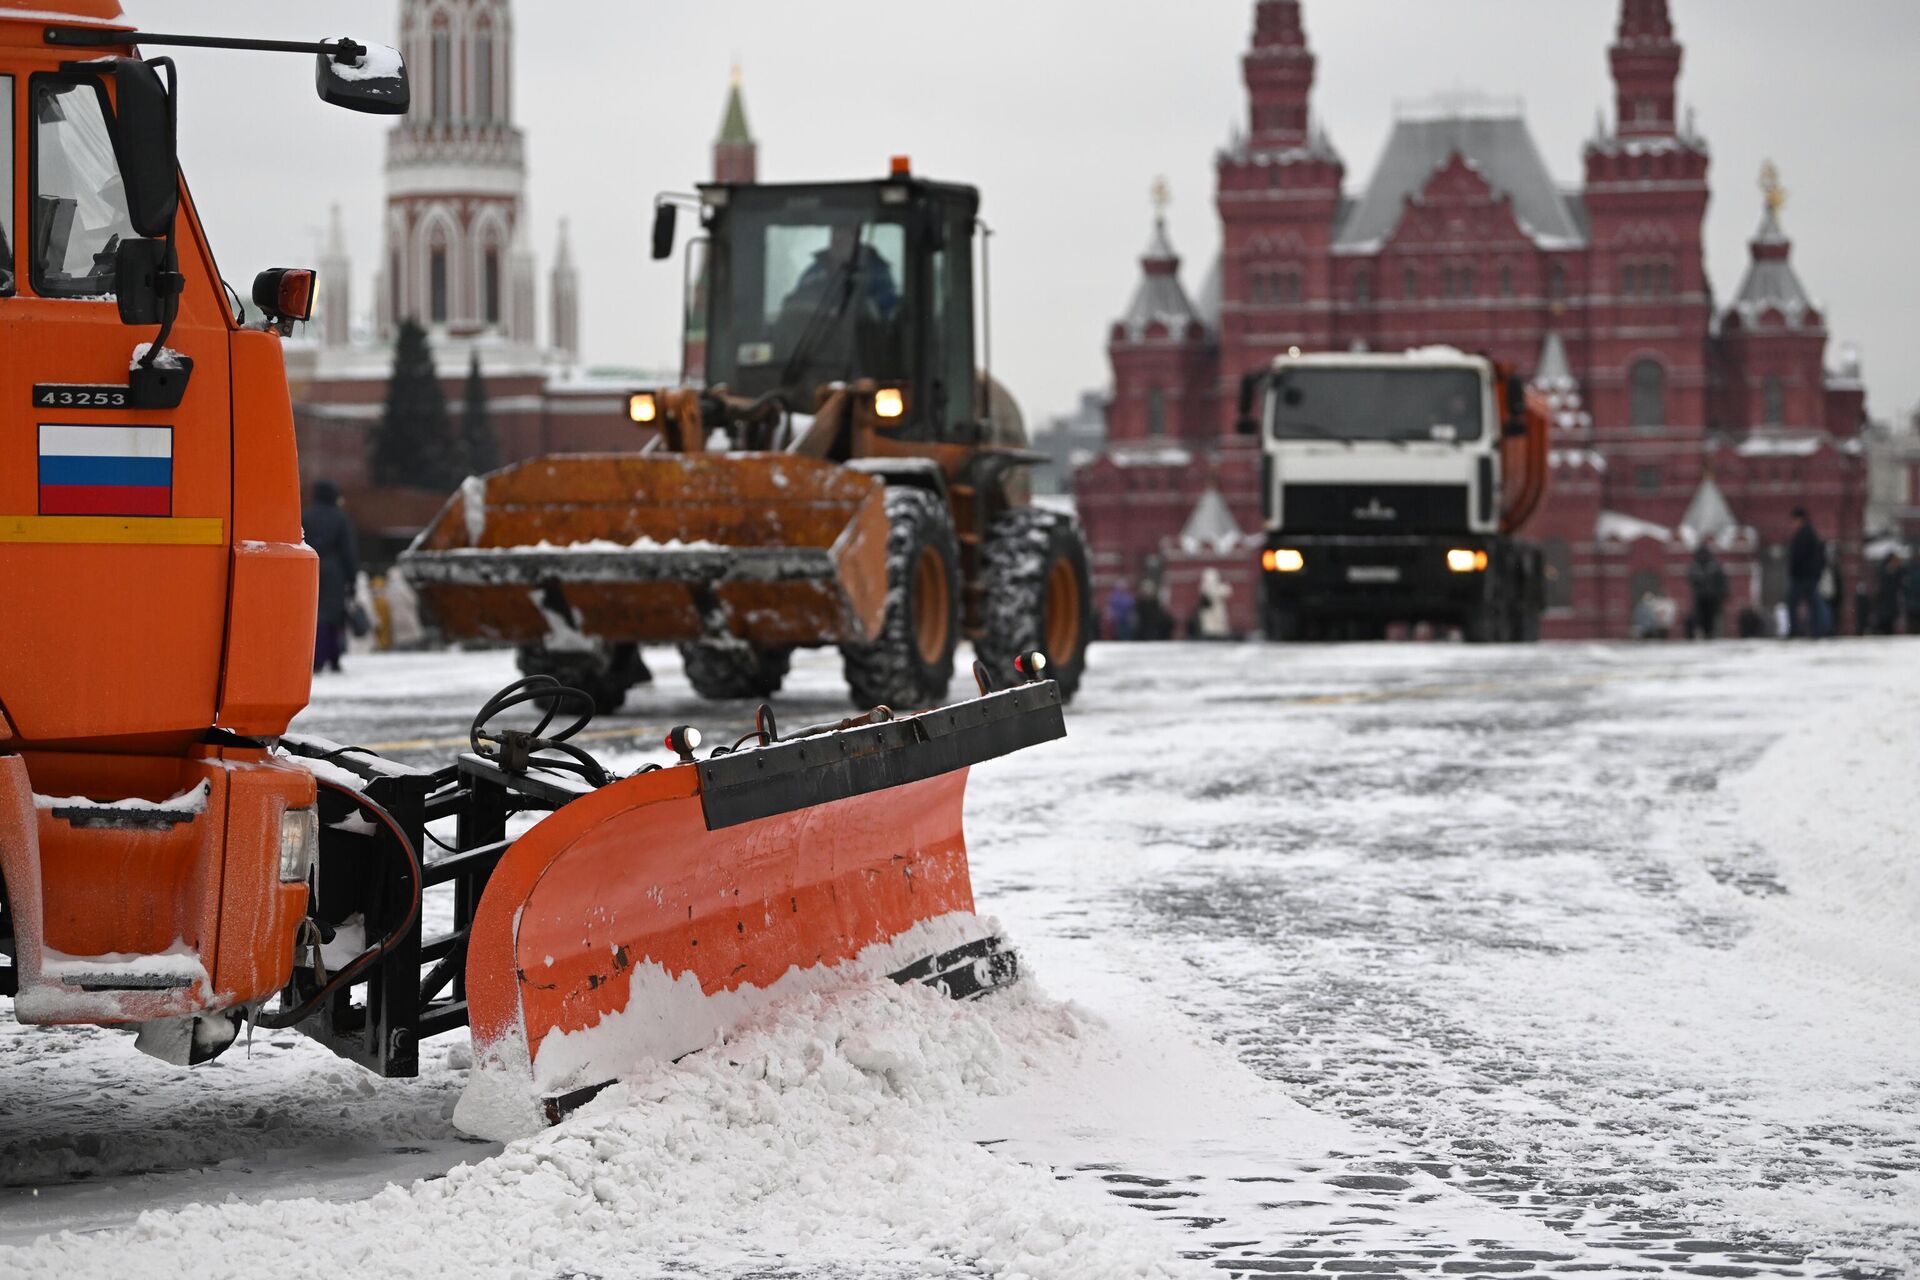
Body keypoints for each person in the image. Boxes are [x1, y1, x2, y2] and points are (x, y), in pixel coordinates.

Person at [783, 224, 900, 321]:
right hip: (815, 343)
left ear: (855, 242)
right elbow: (796, 306)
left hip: (863, 343)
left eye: (844, 239)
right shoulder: (813, 274)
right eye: (835, 238)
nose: (838, 244)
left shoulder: (877, 272)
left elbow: (889, 312)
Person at [303, 479, 358, 674]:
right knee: (334, 615)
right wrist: (352, 578)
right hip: (335, 571)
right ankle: (333, 658)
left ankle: (316, 659)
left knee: (314, 614)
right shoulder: (340, 518)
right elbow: (348, 550)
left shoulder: (306, 516)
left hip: (310, 567)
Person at [1786, 508, 1831, 639]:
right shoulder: (1808, 533)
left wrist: (1803, 573)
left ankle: (1797, 629)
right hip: (1807, 576)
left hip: (1803, 577)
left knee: (1798, 603)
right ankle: (1820, 629)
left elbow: (1801, 557)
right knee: (1814, 603)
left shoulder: (1805, 534)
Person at [1685, 543, 1730, 640]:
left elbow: (1722, 580)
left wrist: (1723, 592)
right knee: (1702, 616)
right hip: (1702, 596)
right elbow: (1690, 578)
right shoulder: (1696, 566)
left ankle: (1710, 632)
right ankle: (1705, 632)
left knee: (1710, 616)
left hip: (1712, 596)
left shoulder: (1713, 565)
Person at [1188, 568, 1236, 640]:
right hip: (1210, 610)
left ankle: (1215, 633)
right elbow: (1225, 591)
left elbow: (1227, 592)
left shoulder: (1212, 587)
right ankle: (1213, 633)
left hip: (1215, 610)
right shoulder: (1207, 587)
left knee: (1217, 622)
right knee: (1211, 623)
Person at [1871, 550, 1905, 636]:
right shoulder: (1883, 571)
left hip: (1891, 602)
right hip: (1884, 602)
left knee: (1890, 623)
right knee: (1883, 622)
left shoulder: (1896, 571)